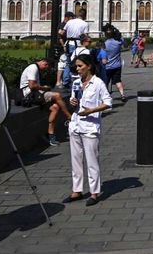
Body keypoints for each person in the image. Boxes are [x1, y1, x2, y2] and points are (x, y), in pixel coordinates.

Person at [64, 54, 112, 206]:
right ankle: (76, 190)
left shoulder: (98, 83)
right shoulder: (76, 83)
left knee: (92, 160)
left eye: (80, 66)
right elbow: (74, 101)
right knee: (75, 159)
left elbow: (108, 102)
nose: (77, 69)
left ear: (89, 66)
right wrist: (72, 101)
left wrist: (91, 110)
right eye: (76, 66)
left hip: (90, 126)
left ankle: (94, 192)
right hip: (76, 124)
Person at [19, 58, 71, 145]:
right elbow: (32, 86)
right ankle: (69, 117)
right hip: (30, 95)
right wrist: (45, 88)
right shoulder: (33, 68)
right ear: (43, 62)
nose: (46, 68)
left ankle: (51, 136)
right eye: (46, 65)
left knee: (55, 108)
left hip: (35, 94)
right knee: (57, 95)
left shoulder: (36, 68)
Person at [57, 10, 90, 88]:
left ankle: (65, 80)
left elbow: (61, 33)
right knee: (79, 62)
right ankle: (77, 80)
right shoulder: (85, 24)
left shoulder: (69, 22)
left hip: (68, 43)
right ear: (85, 16)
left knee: (68, 63)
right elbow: (85, 36)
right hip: (78, 44)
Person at [101, 26, 126, 102]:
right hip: (117, 65)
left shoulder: (104, 44)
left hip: (107, 66)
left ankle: (105, 96)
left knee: (106, 82)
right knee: (118, 80)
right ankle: (122, 94)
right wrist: (117, 33)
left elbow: (102, 55)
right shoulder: (118, 42)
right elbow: (123, 41)